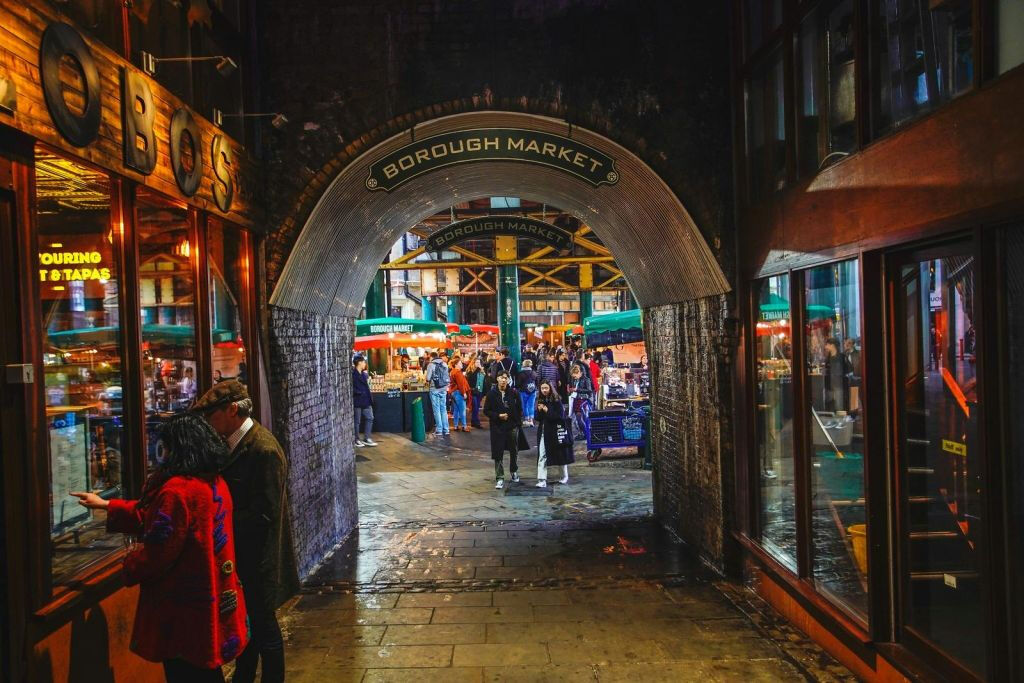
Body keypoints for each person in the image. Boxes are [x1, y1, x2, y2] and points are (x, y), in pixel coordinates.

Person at [72, 414, 249, 683]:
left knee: (186, 675)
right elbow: (158, 517)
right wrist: (107, 505)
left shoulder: (177, 491)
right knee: (206, 673)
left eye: (165, 446)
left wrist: (130, 564)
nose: (161, 453)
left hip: (183, 611)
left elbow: (159, 550)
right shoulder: (214, 482)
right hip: (211, 602)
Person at [192, 381, 300, 683]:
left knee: (265, 628)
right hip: (242, 556)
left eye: (212, 415)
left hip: (259, 558)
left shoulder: (262, 449)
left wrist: (220, 519)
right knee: (248, 624)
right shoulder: (234, 443)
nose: (209, 423)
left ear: (232, 410)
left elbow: (265, 512)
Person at [484, 371, 523, 489]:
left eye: (506, 378)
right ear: (497, 379)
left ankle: (514, 471)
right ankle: (500, 477)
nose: (503, 380)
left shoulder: (514, 393)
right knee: (498, 452)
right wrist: (498, 416)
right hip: (497, 426)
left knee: (514, 450)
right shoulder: (491, 394)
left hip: (512, 426)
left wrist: (517, 423)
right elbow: (486, 410)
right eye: (501, 377)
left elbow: (519, 408)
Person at [534, 380, 574, 487]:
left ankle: (564, 475)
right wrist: (538, 411)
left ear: (550, 388)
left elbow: (559, 416)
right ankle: (542, 480)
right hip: (543, 431)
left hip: (555, 431)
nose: (544, 390)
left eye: (546, 388)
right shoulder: (540, 400)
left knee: (560, 454)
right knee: (542, 455)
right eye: (542, 388)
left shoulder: (556, 400)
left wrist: (547, 410)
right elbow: (537, 418)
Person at [352, 355, 377, 447]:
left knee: (370, 417)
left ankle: (367, 438)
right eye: (363, 362)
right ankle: (356, 439)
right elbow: (351, 388)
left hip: (366, 400)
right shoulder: (353, 375)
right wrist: (360, 392)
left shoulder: (364, 374)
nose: (365, 363)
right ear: (359, 363)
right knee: (357, 421)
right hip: (358, 399)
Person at [425, 351, 451, 436]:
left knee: (436, 409)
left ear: (432, 357)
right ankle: (446, 429)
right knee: (443, 408)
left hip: (434, 389)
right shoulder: (445, 364)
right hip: (443, 388)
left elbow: (428, 378)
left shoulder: (431, 365)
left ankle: (439, 430)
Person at [568, 364, 593, 438]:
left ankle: (587, 434)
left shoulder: (586, 379)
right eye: (573, 376)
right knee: (579, 419)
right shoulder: (576, 380)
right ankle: (585, 434)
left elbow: (589, 391)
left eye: (575, 376)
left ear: (579, 373)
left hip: (583, 401)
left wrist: (577, 390)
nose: (574, 377)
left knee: (582, 419)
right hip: (576, 399)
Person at [449, 358, 471, 432]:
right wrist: (464, 393)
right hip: (459, 393)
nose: (462, 364)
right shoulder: (458, 372)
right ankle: (464, 426)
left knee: (456, 410)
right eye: (460, 363)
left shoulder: (452, 372)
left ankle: (455, 426)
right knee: (462, 410)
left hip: (453, 393)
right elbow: (461, 385)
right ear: (456, 365)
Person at [464, 357, 485, 428]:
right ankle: (476, 422)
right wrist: (478, 370)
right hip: (473, 392)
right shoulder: (470, 371)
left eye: (479, 363)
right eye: (476, 362)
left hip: (480, 392)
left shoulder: (481, 371)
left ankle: (474, 421)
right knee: (475, 407)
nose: (478, 364)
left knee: (476, 407)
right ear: (473, 363)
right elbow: (470, 380)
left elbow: (484, 381)